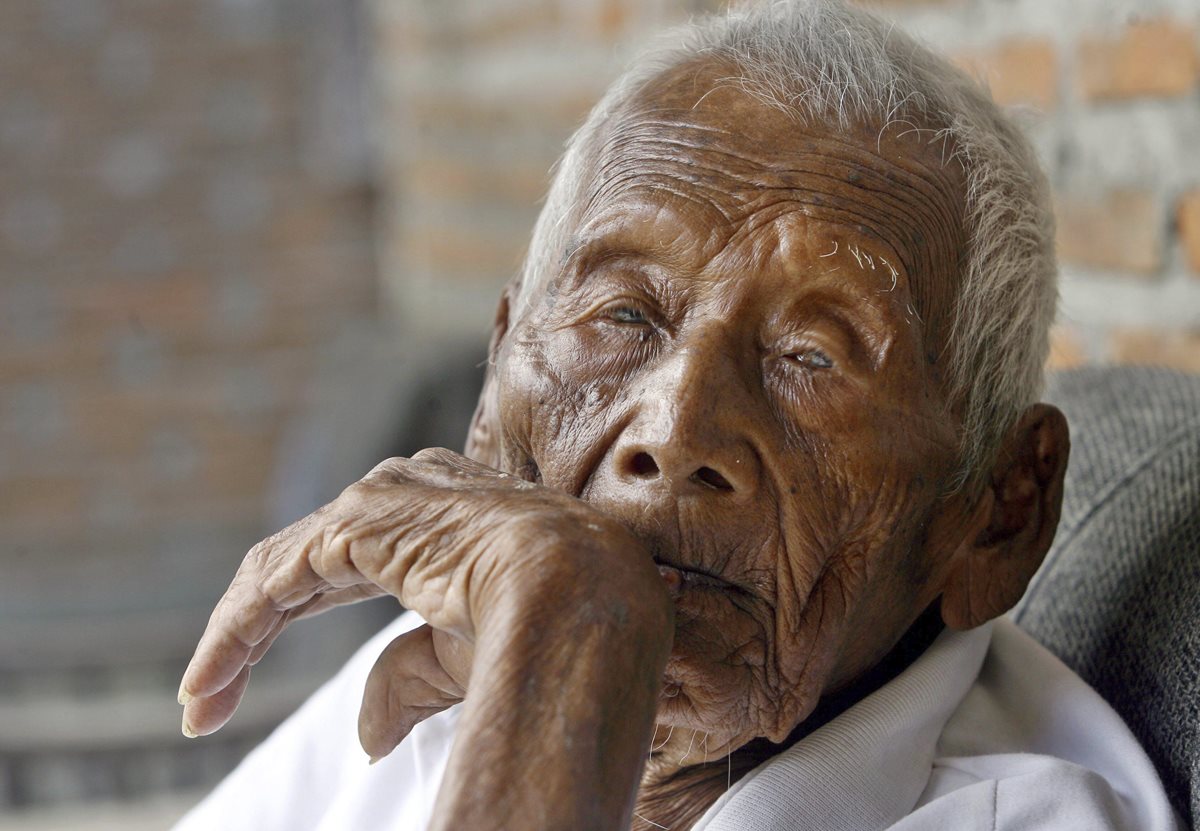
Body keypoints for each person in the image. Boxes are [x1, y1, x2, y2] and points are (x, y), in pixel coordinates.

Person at [174, 1, 1181, 828]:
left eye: (810, 358)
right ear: (495, 383)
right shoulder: (461, 660)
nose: (674, 429)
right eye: (623, 315)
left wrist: (573, 639)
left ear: (999, 514)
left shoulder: (1029, 818)